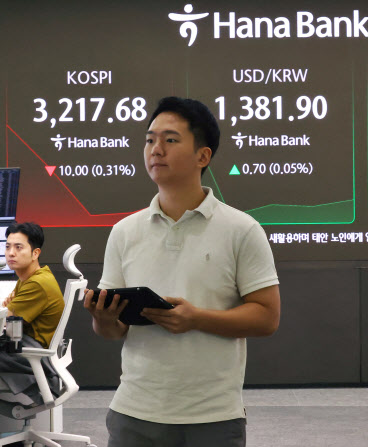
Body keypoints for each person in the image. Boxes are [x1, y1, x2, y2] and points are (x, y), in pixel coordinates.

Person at [84, 96, 281, 447]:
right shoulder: (125, 232)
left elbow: (267, 318)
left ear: (203, 156)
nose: (156, 150)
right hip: (134, 413)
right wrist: (103, 317)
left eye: (170, 140)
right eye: (150, 140)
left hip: (213, 417)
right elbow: (112, 332)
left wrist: (196, 319)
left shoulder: (241, 229)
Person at [0, 222, 65, 411]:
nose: (11, 253)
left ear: (35, 253)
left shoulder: (36, 284)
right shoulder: (31, 277)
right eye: (7, 247)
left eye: (18, 247)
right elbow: (8, 312)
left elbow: (1, 320)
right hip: (29, 350)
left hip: (32, 357)